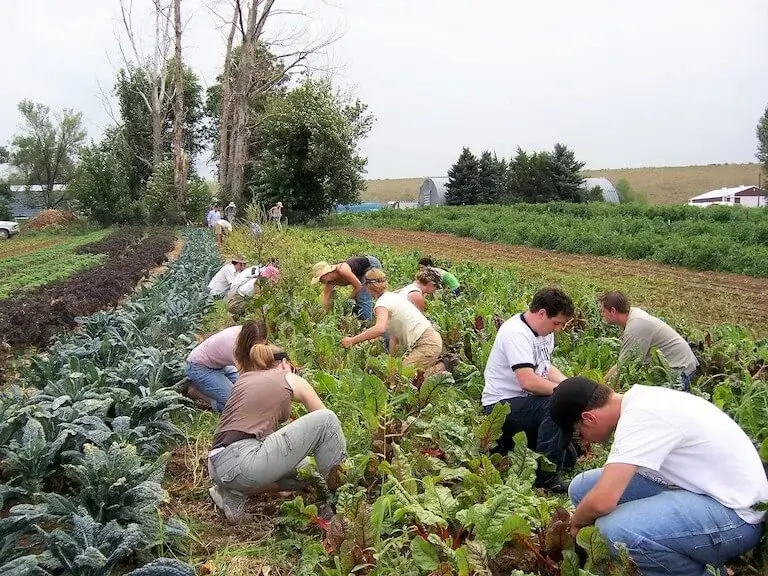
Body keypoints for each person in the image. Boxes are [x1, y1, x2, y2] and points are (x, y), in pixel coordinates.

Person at [550, 376, 768, 576]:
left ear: (589, 418)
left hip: (737, 517)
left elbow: (602, 501)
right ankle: (658, 553)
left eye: (580, 435)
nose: (585, 443)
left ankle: (706, 572)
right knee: (582, 488)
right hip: (703, 489)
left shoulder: (642, 417)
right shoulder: (638, 401)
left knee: (613, 531)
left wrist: (576, 523)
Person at [207, 342, 347, 524]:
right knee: (327, 420)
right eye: (293, 368)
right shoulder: (287, 377)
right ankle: (341, 507)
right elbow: (327, 422)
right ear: (283, 364)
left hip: (218, 466)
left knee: (308, 470)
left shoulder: (244, 380)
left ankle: (232, 493)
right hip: (242, 460)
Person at [481, 287, 575, 492]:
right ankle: (546, 478)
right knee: (556, 402)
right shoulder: (516, 333)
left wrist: (571, 385)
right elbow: (529, 382)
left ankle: (515, 448)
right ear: (541, 313)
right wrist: (566, 392)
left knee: (569, 459)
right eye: (557, 323)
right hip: (501, 406)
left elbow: (545, 367)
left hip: (527, 403)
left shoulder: (544, 332)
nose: (558, 329)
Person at [341, 268, 449, 378]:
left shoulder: (382, 303)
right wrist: (391, 361)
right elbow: (394, 336)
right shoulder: (392, 296)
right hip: (427, 340)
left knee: (400, 377)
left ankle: (443, 367)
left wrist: (352, 341)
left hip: (426, 343)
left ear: (369, 287)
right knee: (398, 375)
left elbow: (379, 329)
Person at [599, 291, 699, 390]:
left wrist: (603, 389)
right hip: (673, 366)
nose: (602, 314)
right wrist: (603, 382)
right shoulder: (631, 316)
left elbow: (624, 367)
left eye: (603, 311)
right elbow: (622, 362)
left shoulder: (635, 328)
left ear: (613, 310)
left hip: (680, 370)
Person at [185, 320, 267, 412]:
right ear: (248, 342)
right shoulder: (236, 347)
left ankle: (216, 386)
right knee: (237, 404)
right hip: (199, 367)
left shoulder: (249, 331)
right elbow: (246, 378)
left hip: (222, 365)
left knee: (249, 395)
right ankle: (198, 393)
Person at [311, 255, 383, 321]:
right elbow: (326, 296)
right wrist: (324, 312)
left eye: (320, 279)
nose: (320, 281)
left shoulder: (342, 270)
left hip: (371, 265)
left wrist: (349, 299)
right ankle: (362, 318)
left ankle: (367, 324)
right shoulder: (330, 282)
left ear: (325, 274)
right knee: (357, 298)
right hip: (360, 272)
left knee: (363, 296)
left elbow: (358, 286)